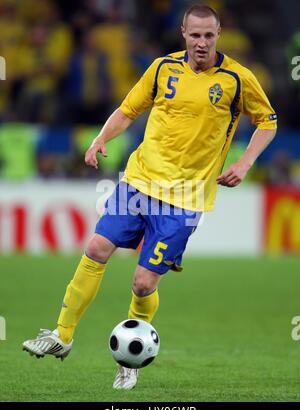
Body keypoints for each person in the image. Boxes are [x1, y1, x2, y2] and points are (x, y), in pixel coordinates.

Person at [22, 4, 277, 390]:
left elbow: (268, 121)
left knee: (143, 284)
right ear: (183, 33)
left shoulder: (237, 79)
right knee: (96, 247)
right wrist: (101, 138)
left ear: (219, 33)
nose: (202, 42)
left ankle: (130, 359)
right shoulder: (161, 68)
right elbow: (128, 109)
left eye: (209, 35)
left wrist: (244, 163)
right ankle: (62, 335)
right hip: (140, 181)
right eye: (195, 35)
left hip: (186, 198)